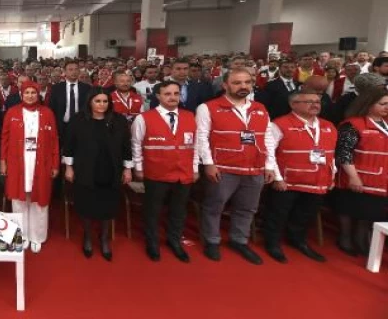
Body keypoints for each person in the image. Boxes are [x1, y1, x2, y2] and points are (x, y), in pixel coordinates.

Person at [197, 69, 274, 265]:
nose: (243, 86)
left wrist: (269, 164)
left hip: (254, 166)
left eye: (247, 82)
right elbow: (201, 137)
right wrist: (208, 163)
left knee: (247, 208)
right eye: (237, 82)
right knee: (214, 206)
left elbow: (267, 137)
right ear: (225, 85)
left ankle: (239, 240)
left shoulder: (260, 108)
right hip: (223, 166)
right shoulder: (209, 107)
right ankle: (212, 240)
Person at [263, 89, 336, 264]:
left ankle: (298, 240)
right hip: (288, 181)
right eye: (309, 101)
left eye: (317, 102)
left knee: (305, 214)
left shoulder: (328, 126)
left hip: (317, 180)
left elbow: (331, 154)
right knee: (278, 213)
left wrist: (331, 176)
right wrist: (278, 178)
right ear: (293, 104)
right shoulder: (279, 124)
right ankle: (272, 243)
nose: (315, 105)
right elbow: (268, 152)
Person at [63, 87, 133, 261]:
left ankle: (104, 239)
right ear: (90, 102)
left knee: (108, 206)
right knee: (87, 205)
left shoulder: (119, 121)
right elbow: (69, 145)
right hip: (85, 169)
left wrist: (127, 168)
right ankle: (87, 237)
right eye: (98, 101)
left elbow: (126, 146)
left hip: (111, 170)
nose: (102, 105)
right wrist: (69, 167)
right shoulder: (78, 120)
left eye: (105, 101)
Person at [132, 81, 198, 263]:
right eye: (167, 94)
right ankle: (152, 242)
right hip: (156, 172)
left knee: (179, 211)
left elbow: (195, 145)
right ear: (158, 96)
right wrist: (138, 167)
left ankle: (174, 240)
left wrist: (194, 168)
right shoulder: (143, 118)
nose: (172, 97)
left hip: (183, 172)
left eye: (176, 93)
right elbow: (136, 144)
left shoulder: (190, 116)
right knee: (152, 210)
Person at [0, 82, 59, 253]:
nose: (31, 95)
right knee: (19, 200)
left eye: (34, 92)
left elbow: (55, 140)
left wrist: (55, 164)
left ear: (39, 94)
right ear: (21, 94)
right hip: (18, 161)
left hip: (41, 161)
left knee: (39, 200)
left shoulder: (47, 113)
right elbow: (4, 139)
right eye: (27, 92)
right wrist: (3, 161)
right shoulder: (12, 112)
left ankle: (37, 236)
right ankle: (22, 235)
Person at [334, 87, 388, 256]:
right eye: (383, 104)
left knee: (371, 212)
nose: (387, 107)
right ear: (369, 104)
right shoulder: (353, 124)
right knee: (350, 208)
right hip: (357, 176)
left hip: (380, 177)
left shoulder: (385, 123)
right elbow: (344, 153)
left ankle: (361, 239)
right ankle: (345, 238)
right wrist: (353, 177)